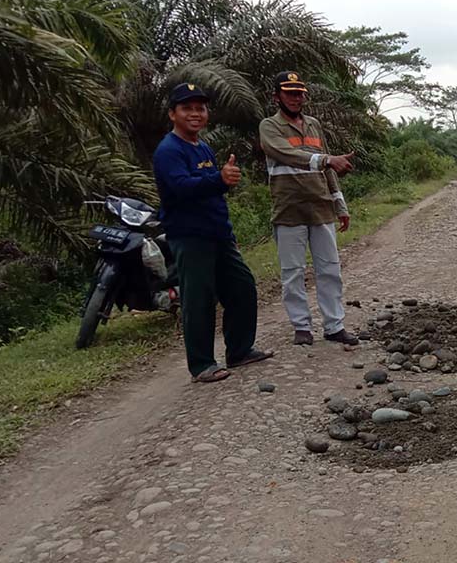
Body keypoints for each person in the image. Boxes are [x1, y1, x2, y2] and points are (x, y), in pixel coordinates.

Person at [152, 83, 273, 383]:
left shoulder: (201, 146)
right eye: (187, 108)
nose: (195, 113)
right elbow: (181, 188)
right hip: (190, 236)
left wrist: (222, 187)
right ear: (172, 114)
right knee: (198, 299)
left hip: (218, 234)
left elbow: (212, 191)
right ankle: (202, 364)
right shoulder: (168, 150)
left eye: (200, 108)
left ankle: (239, 351)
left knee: (242, 287)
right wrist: (219, 180)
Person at [259, 71, 358, 346]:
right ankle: (301, 327)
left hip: (321, 207)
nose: (295, 97)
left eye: (299, 93)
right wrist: (328, 159)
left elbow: (329, 170)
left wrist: (340, 204)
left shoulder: (314, 125)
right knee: (293, 272)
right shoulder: (270, 126)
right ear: (277, 96)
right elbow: (285, 153)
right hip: (289, 209)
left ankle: (334, 326)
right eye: (289, 92)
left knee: (330, 269)